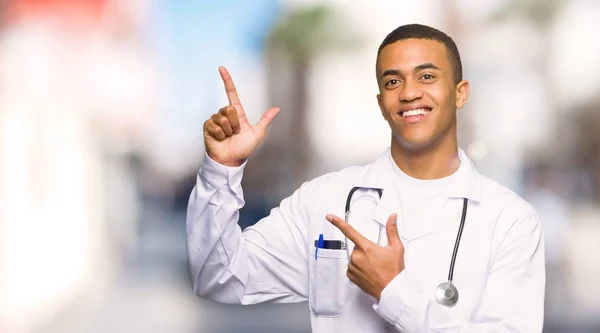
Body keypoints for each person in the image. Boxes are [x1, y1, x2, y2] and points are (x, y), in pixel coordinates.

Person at [186, 24, 545, 332]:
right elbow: (218, 278)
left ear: (460, 93)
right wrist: (222, 171)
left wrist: (393, 292)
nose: (408, 92)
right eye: (393, 81)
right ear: (381, 103)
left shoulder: (510, 220)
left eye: (427, 76)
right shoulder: (324, 200)